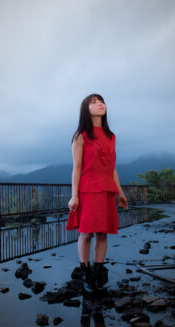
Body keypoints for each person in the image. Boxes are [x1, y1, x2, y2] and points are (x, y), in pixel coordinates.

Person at [66, 93, 128, 283]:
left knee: (102, 232)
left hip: (107, 188)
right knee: (86, 233)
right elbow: (76, 169)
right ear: (86, 110)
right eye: (94, 102)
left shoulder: (111, 136)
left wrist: (120, 192)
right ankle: (84, 269)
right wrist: (73, 196)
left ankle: (98, 269)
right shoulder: (81, 136)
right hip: (88, 188)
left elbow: (112, 168)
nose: (100, 104)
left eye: (101, 101)